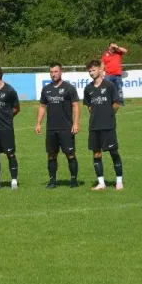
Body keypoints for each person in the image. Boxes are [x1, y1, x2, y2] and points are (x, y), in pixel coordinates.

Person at [35, 63, 80, 189]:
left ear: (61, 72)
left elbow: (75, 105)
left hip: (66, 128)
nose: (53, 74)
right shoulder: (46, 89)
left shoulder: (69, 88)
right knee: (51, 155)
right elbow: (42, 107)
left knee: (70, 154)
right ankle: (52, 181)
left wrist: (76, 123)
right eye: (51, 72)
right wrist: (38, 123)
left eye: (55, 71)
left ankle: (73, 181)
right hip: (51, 129)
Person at [83, 60, 124, 191]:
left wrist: (108, 115)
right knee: (96, 154)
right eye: (89, 71)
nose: (91, 73)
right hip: (94, 126)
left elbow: (116, 103)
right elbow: (89, 106)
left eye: (93, 70)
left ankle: (119, 181)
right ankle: (101, 183)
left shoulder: (110, 86)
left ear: (100, 70)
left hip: (108, 126)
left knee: (113, 152)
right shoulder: (88, 88)